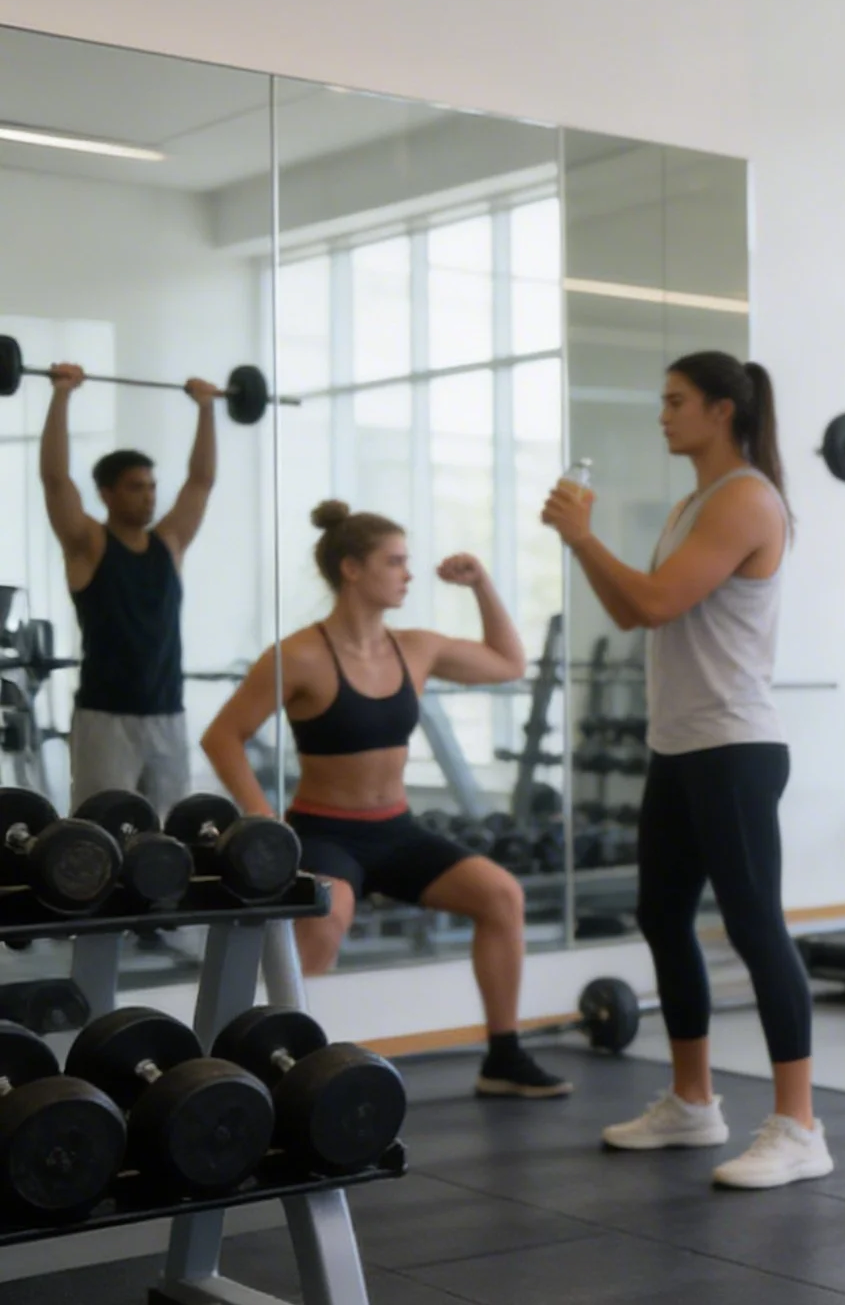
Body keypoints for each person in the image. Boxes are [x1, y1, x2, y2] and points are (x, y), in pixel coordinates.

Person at [543, 352, 827, 1190]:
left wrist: (582, 535)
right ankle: (695, 1101)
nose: (662, 415)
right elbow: (640, 608)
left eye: (676, 402)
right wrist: (587, 544)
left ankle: (800, 1124)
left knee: (753, 927)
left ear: (722, 409)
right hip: (681, 744)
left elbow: (654, 603)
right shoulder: (695, 500)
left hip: (734, 746)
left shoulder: (745, 497)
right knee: (661, 913)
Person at [200, 503, 569, 1100]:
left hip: (397, 830)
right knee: (328, 918)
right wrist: (260, 814)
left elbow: (508, 663)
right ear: (351, 568)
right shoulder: (298, 656)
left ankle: (503, 1057)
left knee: (502, 896)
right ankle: (282, 1070)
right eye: (394, 561)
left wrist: (481, 584)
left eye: (407, 562)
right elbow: (222, 735)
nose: (407, 573)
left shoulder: (416, 648)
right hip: (324, 832)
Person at [38, 363, 219, 812]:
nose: (150, 496)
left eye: (153, 487)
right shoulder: (88, 545)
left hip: (168, 715)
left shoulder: (170, 544)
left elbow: (201, 481)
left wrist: (207, 409)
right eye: (137, 487)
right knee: (101, 832)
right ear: (106, 493)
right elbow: (55, 479)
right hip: (105, 718)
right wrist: (62, 395)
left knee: (167, 836)